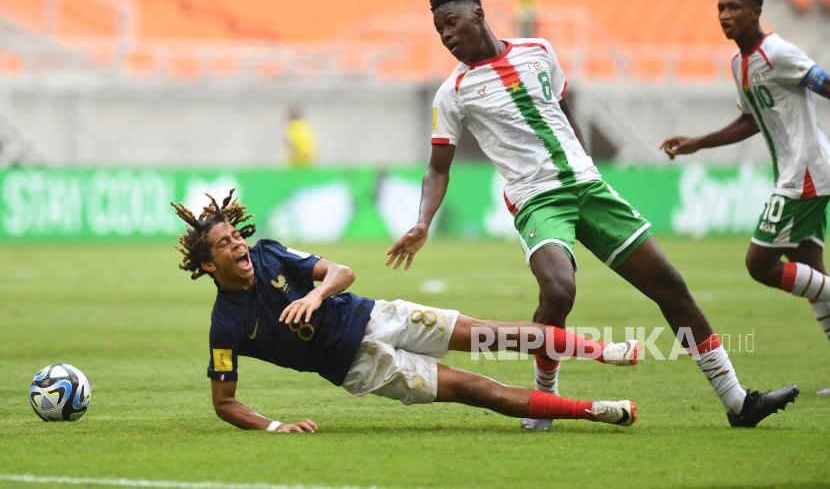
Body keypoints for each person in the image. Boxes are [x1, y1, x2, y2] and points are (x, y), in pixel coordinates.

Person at [385, 0, 799, 429]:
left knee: (670, 286)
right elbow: (438, 168)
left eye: (452, 23)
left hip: (589, 188)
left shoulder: (538, 50)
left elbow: (562, 110)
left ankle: (738, 402)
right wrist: (423, 220)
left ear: (479, 16)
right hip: (537, 199)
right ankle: (544, 400)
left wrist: (589, 169)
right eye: (439, 30)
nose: (446, 36)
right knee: (559, 292)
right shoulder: (453, 93)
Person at [171, 190, 643, 433]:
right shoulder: (226, 324)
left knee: (490, 333)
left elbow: (342, 271)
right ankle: (596, 411)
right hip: (361, 368)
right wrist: (275, 427)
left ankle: (607, 351)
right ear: (210, 264)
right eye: (226, 244)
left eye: (236, 236)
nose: (239, 245)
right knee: (478, 390)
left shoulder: (271, 253)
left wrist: (315, 295)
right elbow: (224, 402)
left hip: (378, 316)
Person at [660, 0, 830, 394]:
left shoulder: (779, 53)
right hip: (793, 173)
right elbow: (751, 120)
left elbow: (825, 84)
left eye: (734, 8)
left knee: (760, 265)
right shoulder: (740, 64)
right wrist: (698, 142)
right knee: (813, 276)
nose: (725, 15)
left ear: (755, 12)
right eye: (721, 8)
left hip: (805, 175)